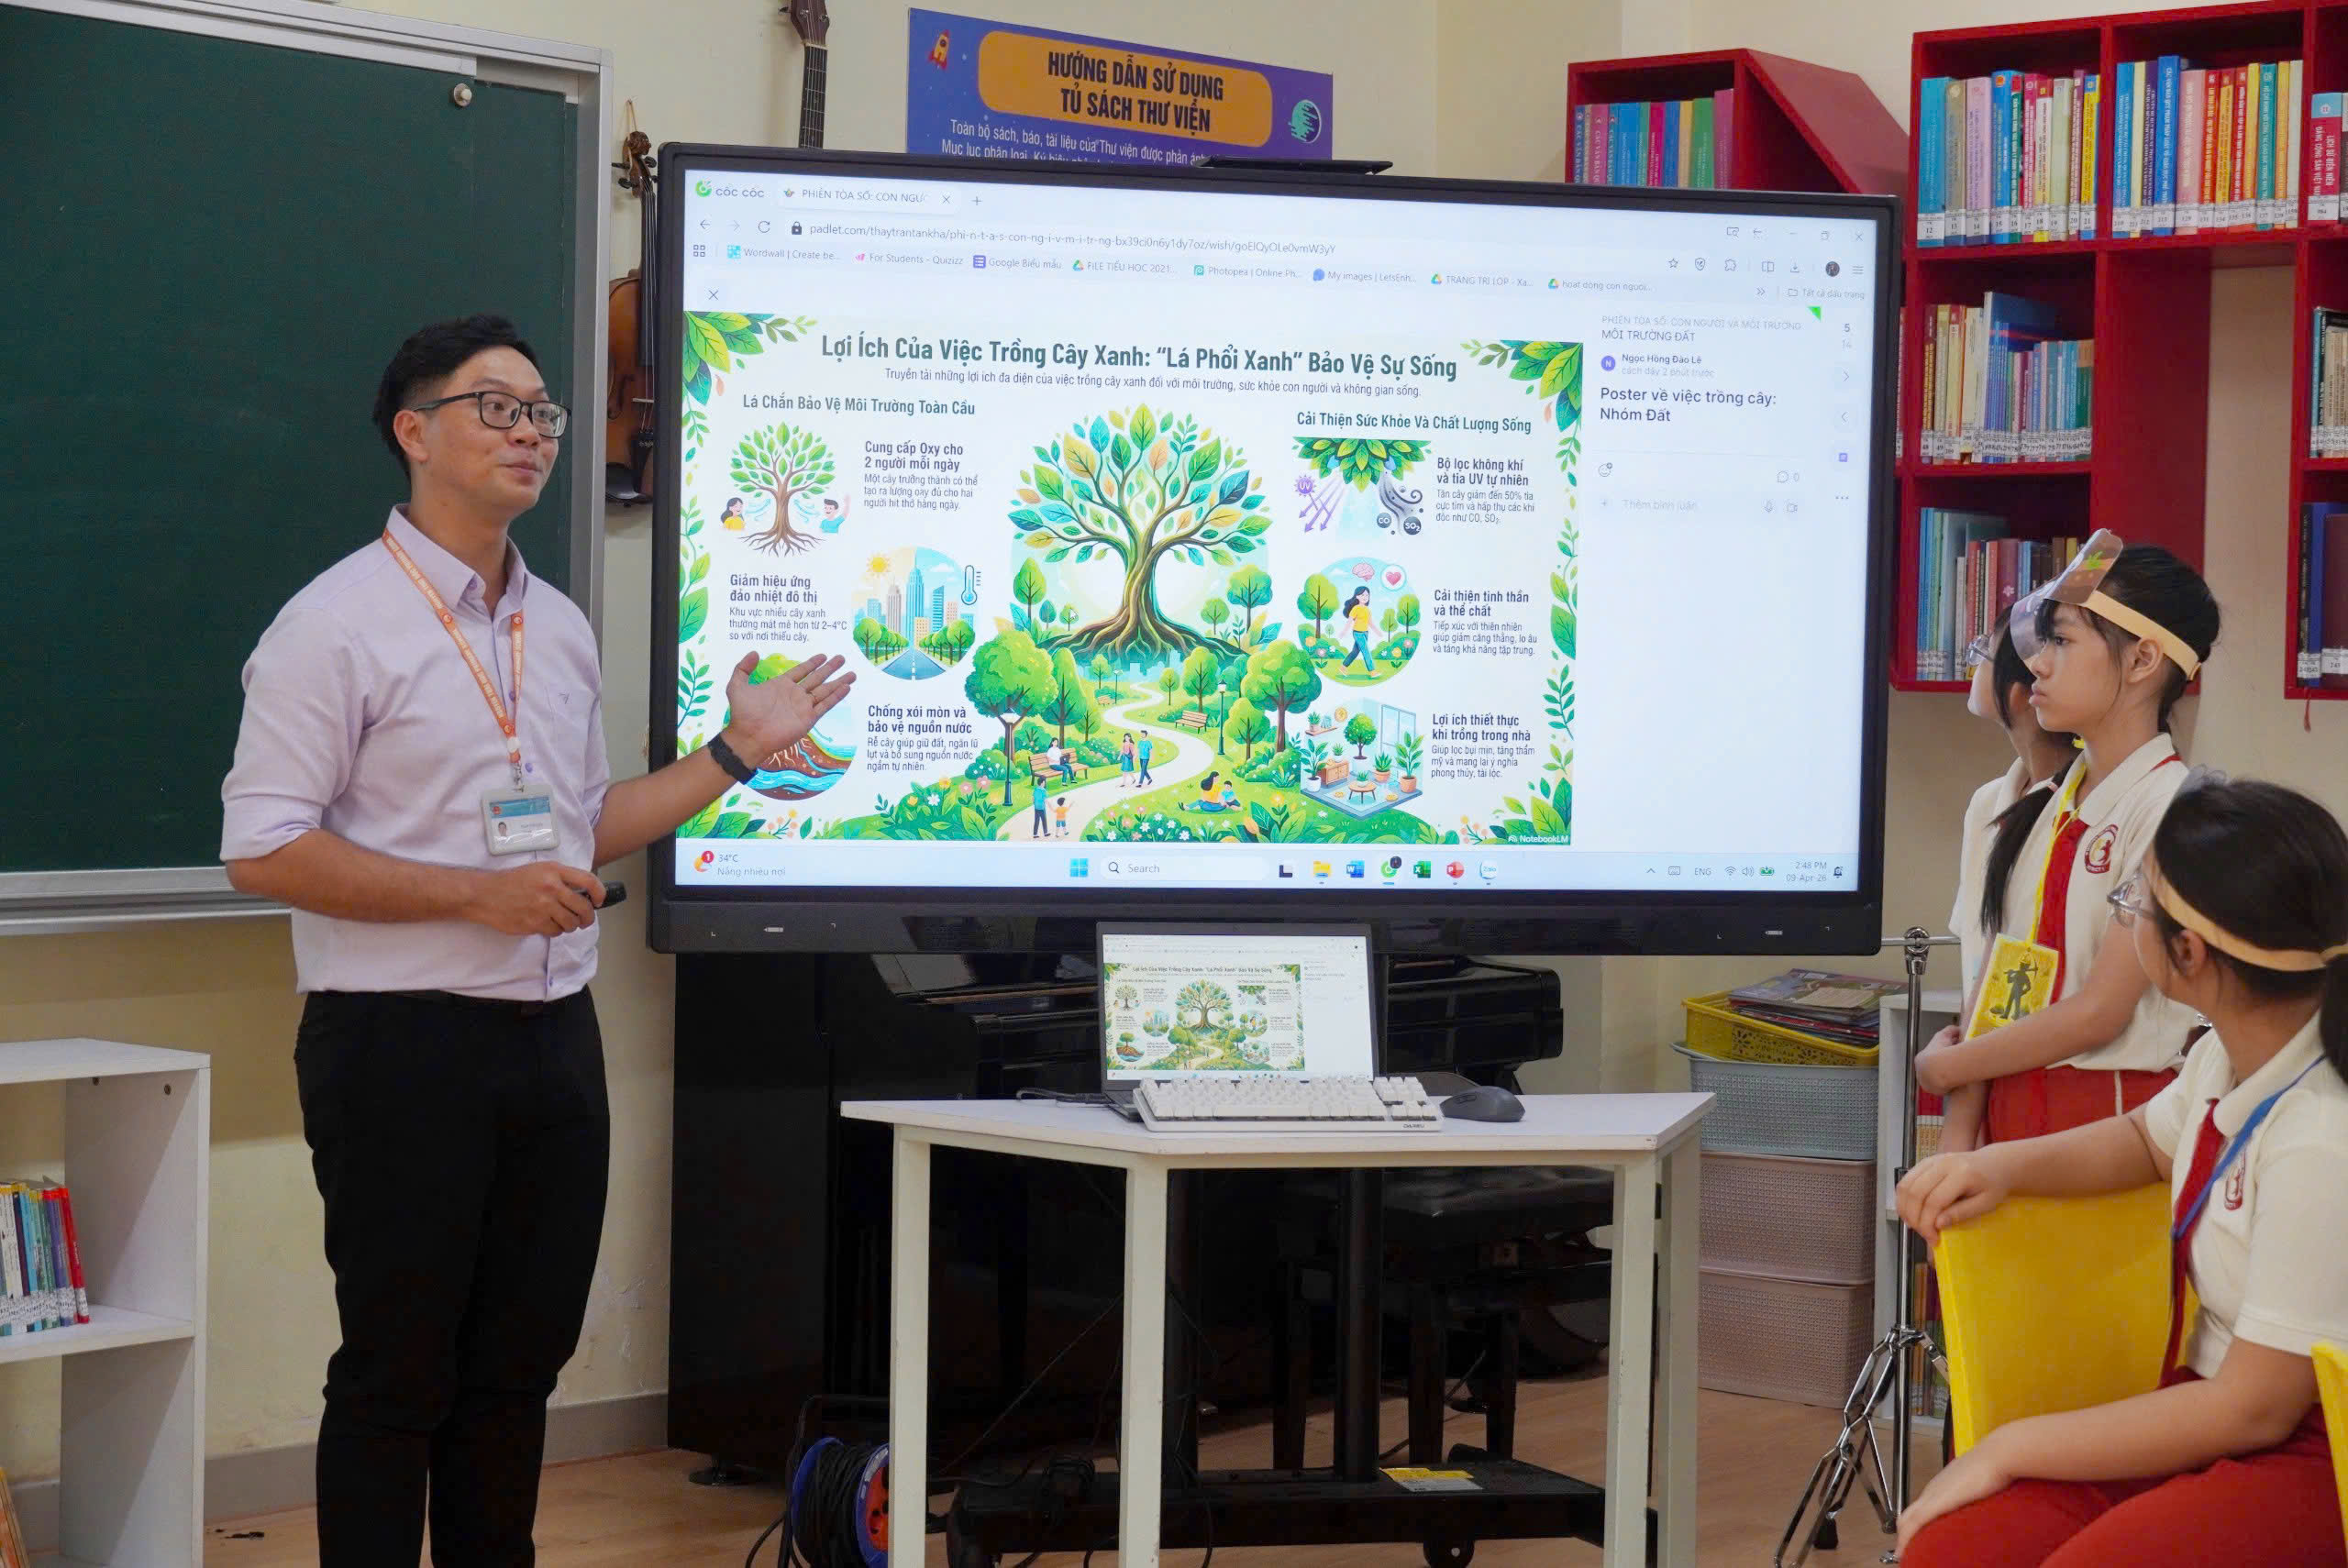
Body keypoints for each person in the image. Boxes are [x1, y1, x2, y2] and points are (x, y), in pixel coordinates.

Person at [217, 315, 851, 1568]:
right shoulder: (332, 624)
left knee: (518, 1369)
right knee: (399, 1369)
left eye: (544, 413)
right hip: (400, 1044)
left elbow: (584, 826)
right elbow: (263, 847)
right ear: (413, 432)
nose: (531, 433)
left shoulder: (555, 624)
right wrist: (474, 896)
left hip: (555, 1040)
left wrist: (736, 755)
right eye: (496, 408)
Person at [1896, 777, 2348, 1568]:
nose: (2126, 910)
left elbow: (2256, 1411)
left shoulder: (2321, 1138)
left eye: (2136, 900)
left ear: (2188, 953)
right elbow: (2147, 1139)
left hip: (2317, 1452)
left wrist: (2006, 1446)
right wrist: (1997, 1166)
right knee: (1956, 1550)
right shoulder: (2227, 1056)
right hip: (2212, 1404)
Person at [1916, 543, 2221, 1143]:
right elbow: (2001, 984)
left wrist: (1947, 1068)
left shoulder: (2173, 808)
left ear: (2142, 659)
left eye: (2061, 641)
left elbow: (2101, 1012)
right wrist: (1956, 1143)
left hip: (2112, 1134)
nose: (2037, 664)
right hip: (2008, 1129)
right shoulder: (2045, 805)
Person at [1939, 624, 2080, 1153]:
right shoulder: (1989, 802)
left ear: (2024, 691)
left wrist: (1954, 1073)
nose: (1974, 660)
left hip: (2050, 1091)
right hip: (1986, 1082)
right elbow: (1978, 966)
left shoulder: (2080, 810)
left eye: (1984, 651)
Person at [1339, 585, 1374, 669]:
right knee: (1366, 651)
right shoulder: (1356, 608)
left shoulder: (1367, 609)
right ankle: (1372, 670)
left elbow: (1370, 623)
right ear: (1357, 596)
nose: (1365, 597)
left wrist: (1378, 632)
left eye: (1367, 595)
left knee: (1355, 652)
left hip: (1366, 632)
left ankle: (1343, 667)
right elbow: (1349, 621)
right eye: (1362, 595)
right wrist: (1344, 631)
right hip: (1358, 633)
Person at [1029, 770, 1049, 838]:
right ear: (1043, 783)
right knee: (1044, 820)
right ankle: (1045, 833)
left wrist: (1034, 803)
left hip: (1036, 807)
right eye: (1044, 782)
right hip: (1042, 808)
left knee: (1036, 820)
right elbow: (1045, 800)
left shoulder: (1035, 789)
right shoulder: (1044, 791)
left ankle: (1035, 834)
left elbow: (1033, 798)